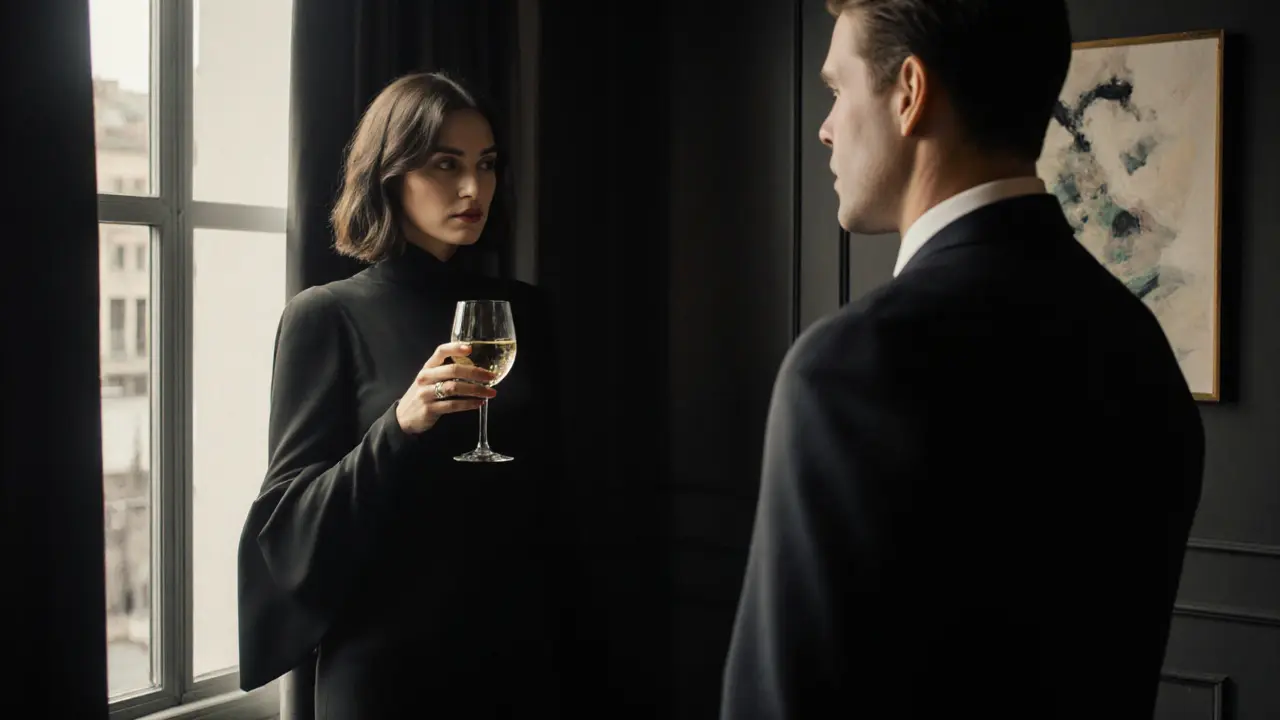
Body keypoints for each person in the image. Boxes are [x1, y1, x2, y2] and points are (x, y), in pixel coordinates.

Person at [721, 1, 1205, 718]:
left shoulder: (850, 369)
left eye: (836, 90)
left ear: (910, 93)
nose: (824, 128)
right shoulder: (1139, 344)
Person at [236, 71, 569, 719]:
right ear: (390, 174)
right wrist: (402, 423)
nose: (474, 188)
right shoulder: (325, 317)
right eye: (446, 165)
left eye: (487, 164)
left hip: (516, 660)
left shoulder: (523, 312)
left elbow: (553, 495)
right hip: (387, 670)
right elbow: (288, 524)